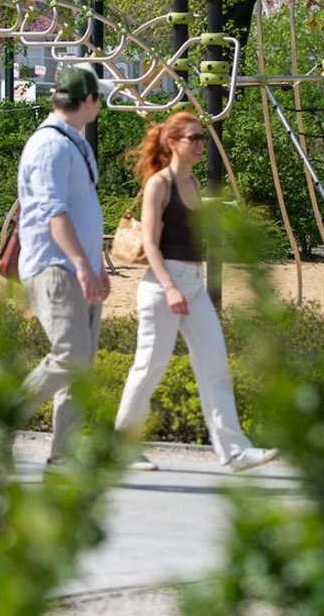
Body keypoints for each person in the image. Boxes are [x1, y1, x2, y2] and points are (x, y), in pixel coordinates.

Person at [114, 112, 277, 473]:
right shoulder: (160, 185)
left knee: (215, 364)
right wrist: (170, 288)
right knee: (148, 368)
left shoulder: (193, 184)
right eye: (193, 138)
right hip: (162, 286)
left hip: (194, 284)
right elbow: (152, 246)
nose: (200, 144)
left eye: (201, 137)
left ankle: (234, 450)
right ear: (173, 143)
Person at [0, 65, 110, 469]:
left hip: (77, 266)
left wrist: (94, 264)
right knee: (71, 354)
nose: (101, 105)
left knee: (81, 368)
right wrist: (83, 264)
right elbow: (54, 212)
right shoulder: (50, 146)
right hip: (55, 266)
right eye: (99, 97)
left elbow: (78, 208)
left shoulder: (74, 143)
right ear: (87, 100)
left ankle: (64, 454)